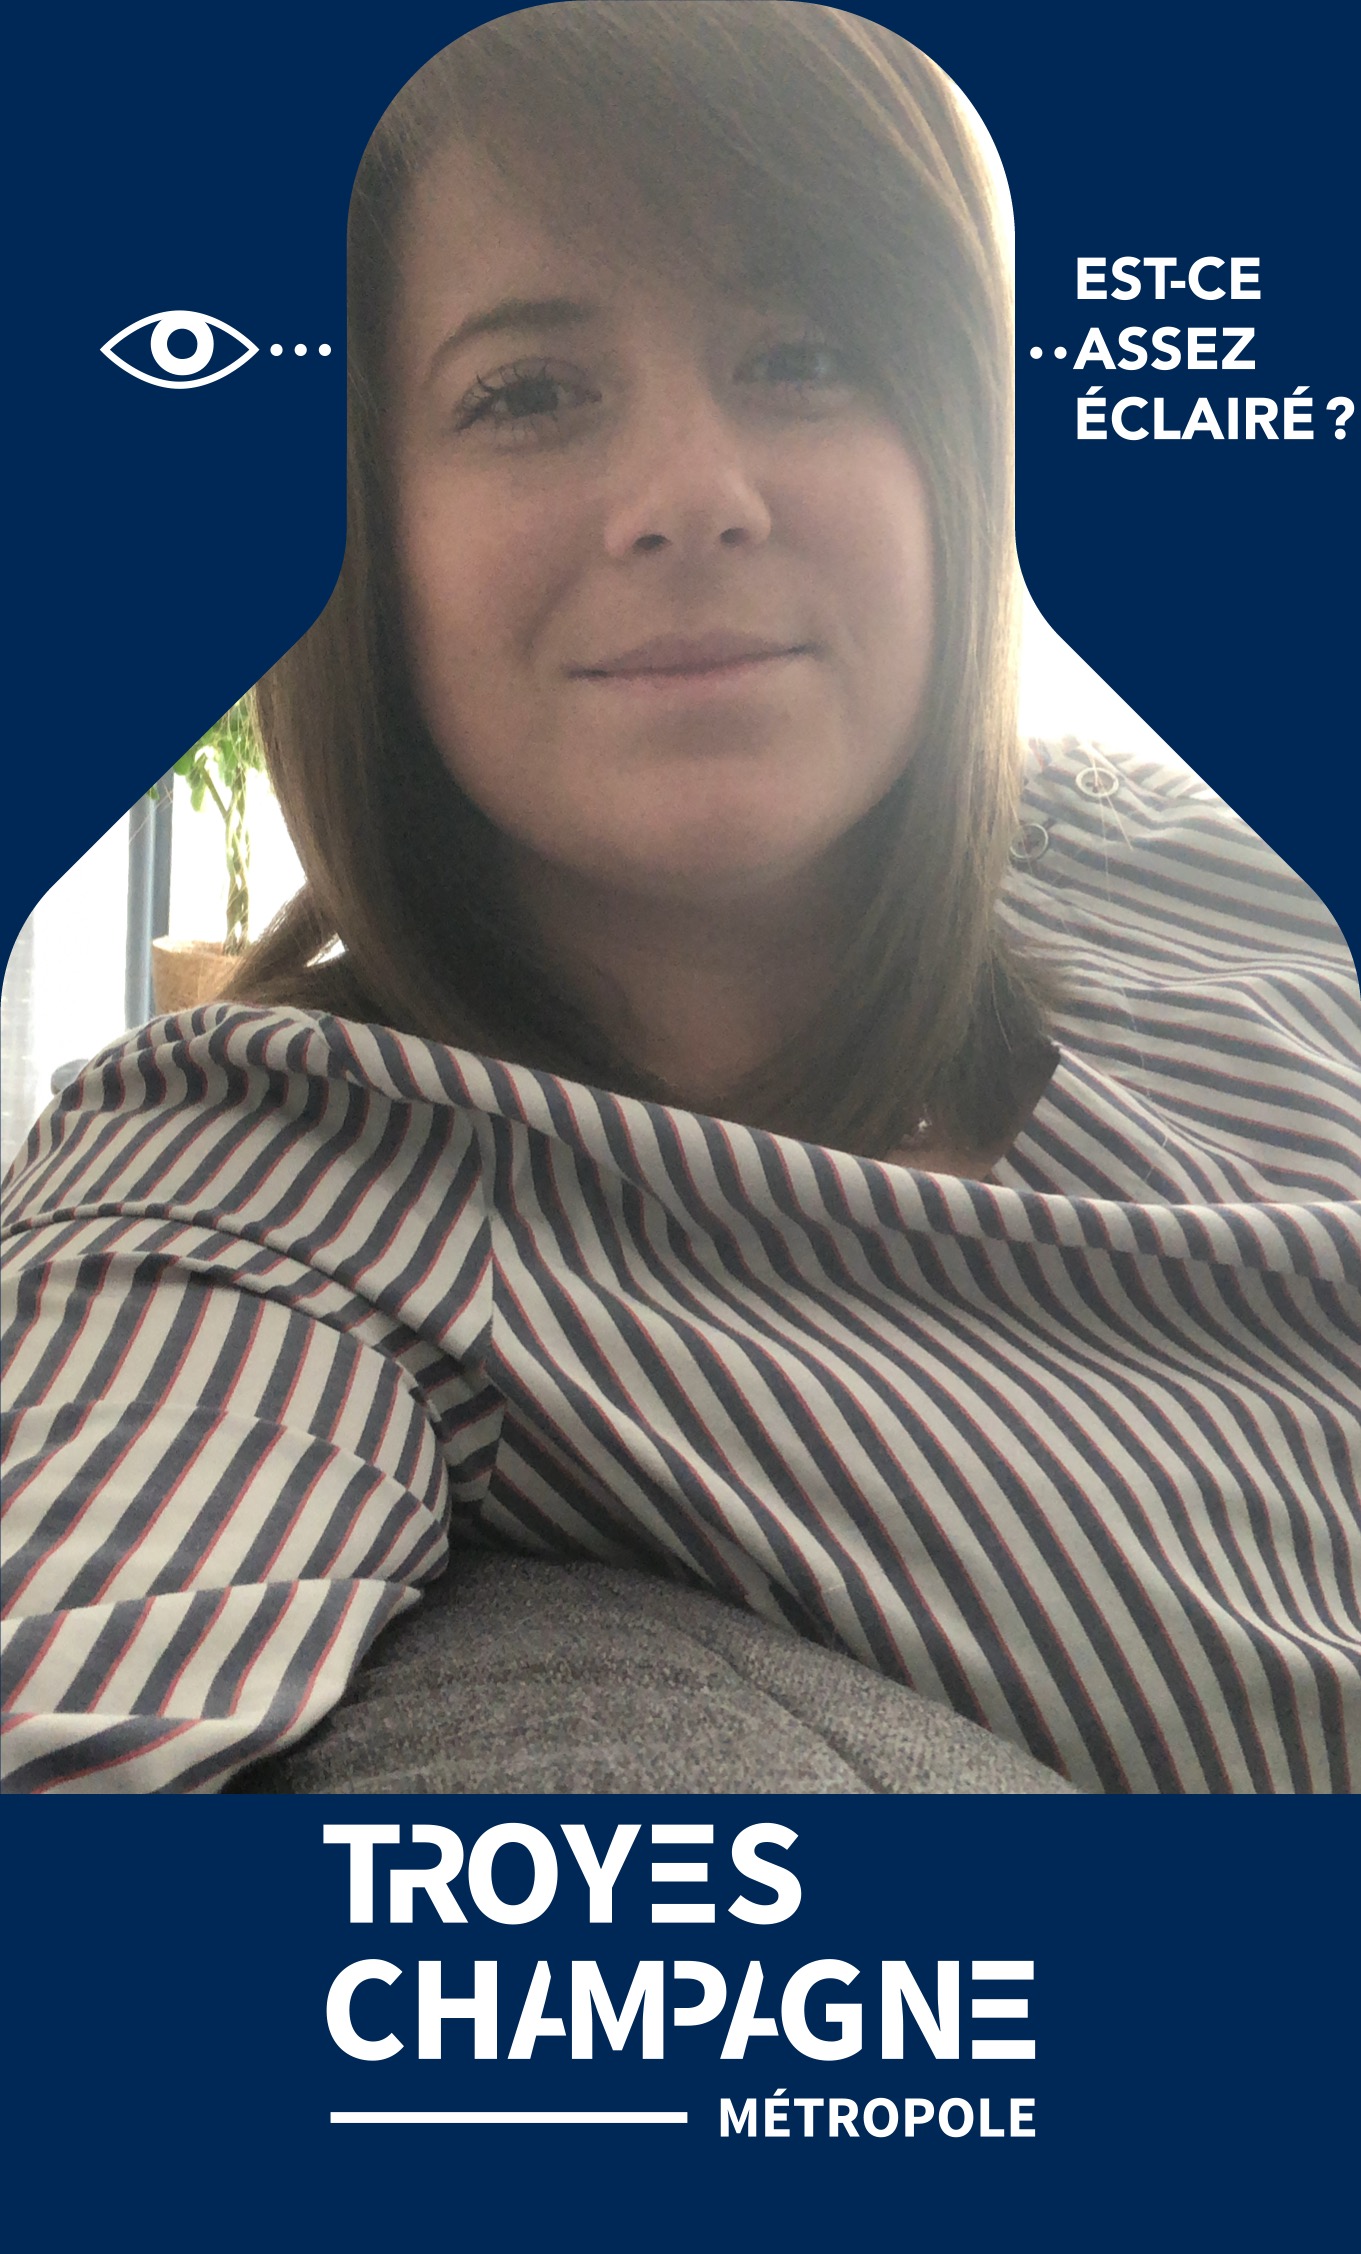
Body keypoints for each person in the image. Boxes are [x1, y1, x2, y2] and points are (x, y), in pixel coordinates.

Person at [2, 3, 1357, 1797]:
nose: (696, 498)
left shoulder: (1203, 863)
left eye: (802, 356)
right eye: (527, 393)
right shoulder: (267, 1181)